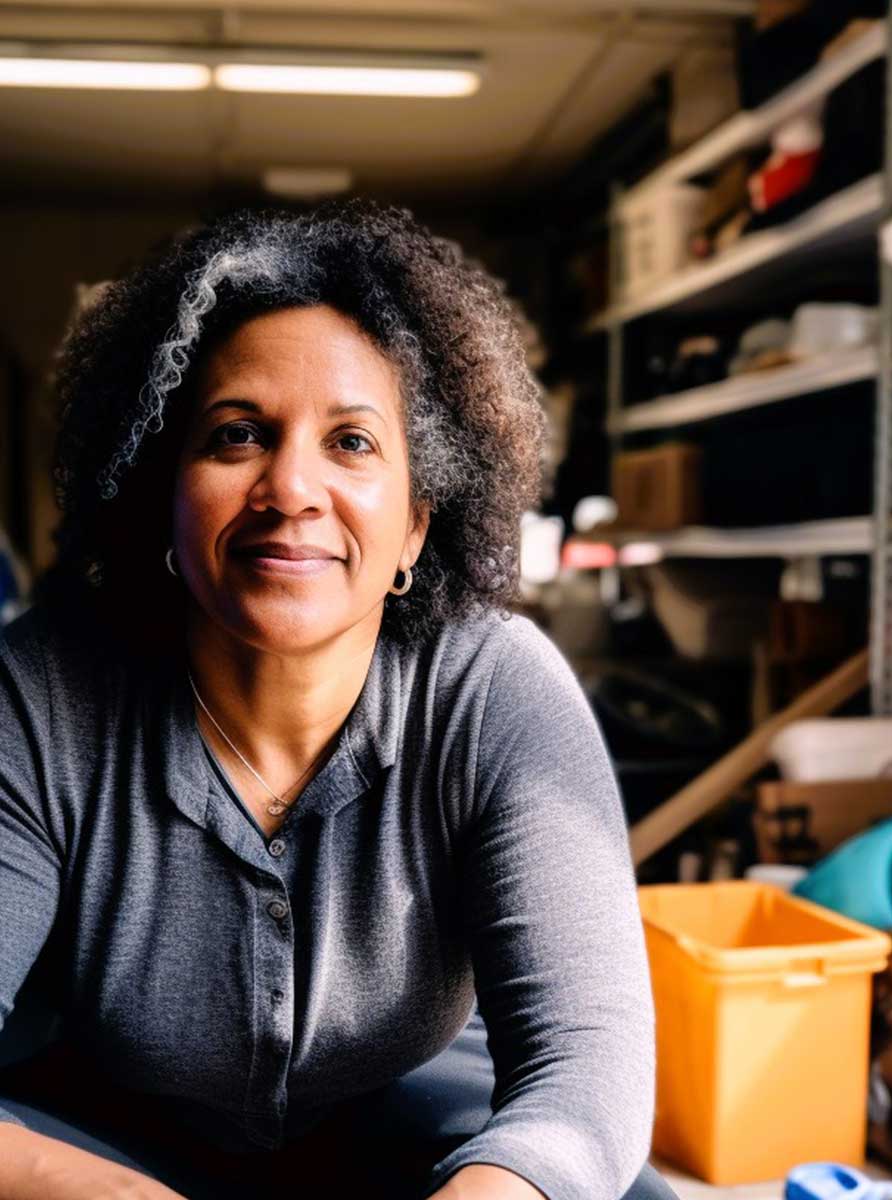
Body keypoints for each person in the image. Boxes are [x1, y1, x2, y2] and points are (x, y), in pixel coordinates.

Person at [0, 199, 675, 1200]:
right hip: (110, 1131)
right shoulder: (42, 695)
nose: (291, 488)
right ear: (161, 498)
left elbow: (590, 1065)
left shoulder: (495, 690)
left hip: (403, 1124)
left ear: (413, 528)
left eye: (351, 442)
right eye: (237, 435)